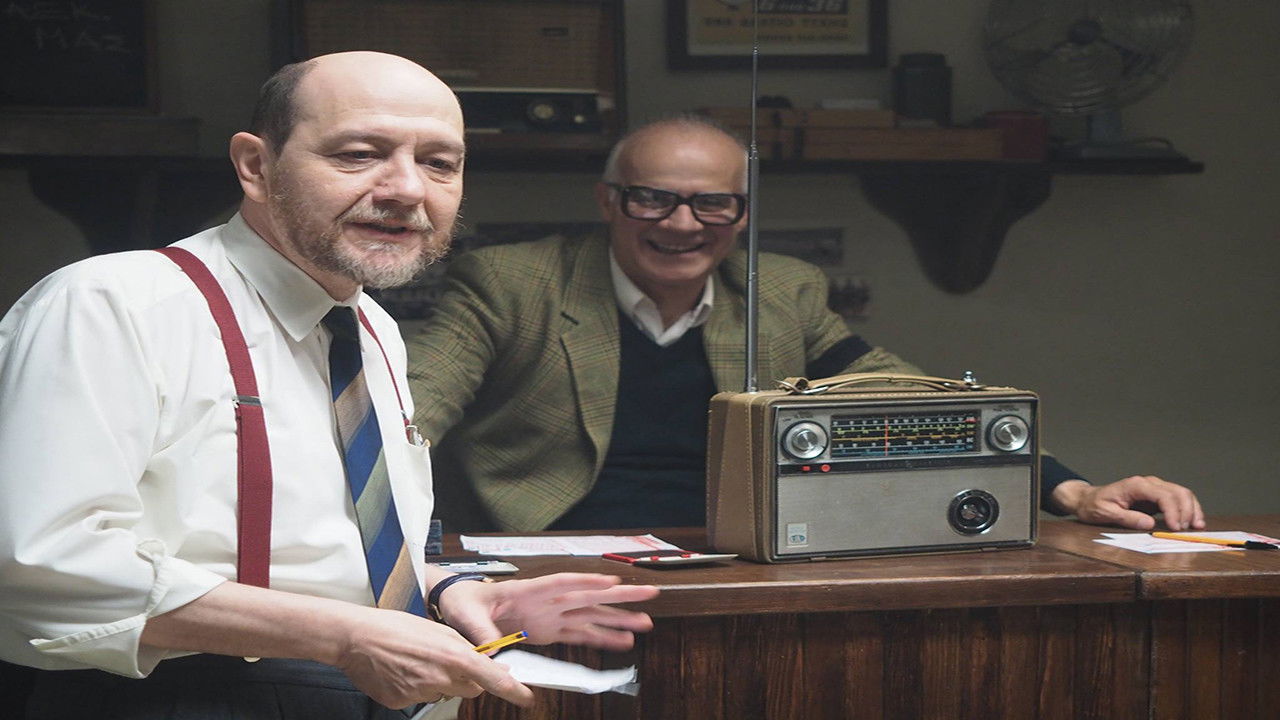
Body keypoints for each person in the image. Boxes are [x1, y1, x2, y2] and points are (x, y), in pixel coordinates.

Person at [0, 52, 659, 720]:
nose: (407, 188)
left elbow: (315, 546)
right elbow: (39, 563)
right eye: (359, 154)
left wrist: (441, 589)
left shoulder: (370, 327)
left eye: (439, 162)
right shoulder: (114, 304)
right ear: (255, 166)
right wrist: (344, 635)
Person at [404, 115, 1205, 535]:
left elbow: (906, 396)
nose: (682, 225)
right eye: (653, 199)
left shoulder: (781, 292)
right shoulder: (510, 282)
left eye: (713, 204)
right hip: (554, 556)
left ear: (742, 215)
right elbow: (413, 402)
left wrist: (1073, 489)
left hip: (738, 559)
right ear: (609, 201)